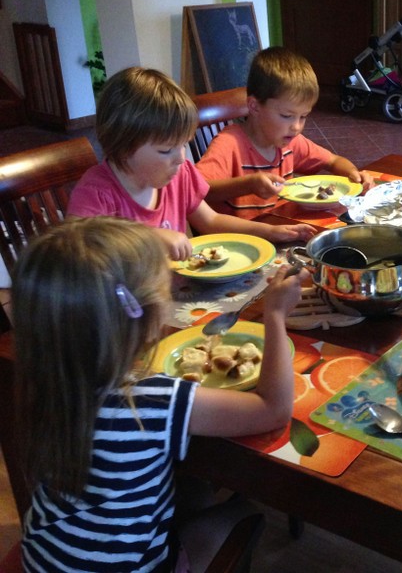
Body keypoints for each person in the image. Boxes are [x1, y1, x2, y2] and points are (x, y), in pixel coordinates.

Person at [13, 216, 309, 571]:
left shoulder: (45, 382)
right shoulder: (149, 400)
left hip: (45, 558)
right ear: (143, 313)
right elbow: (273, 410)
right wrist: (275, 315)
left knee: (196, 489)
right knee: (242, 510)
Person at [67, 67, 316, 262]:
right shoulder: (96, 192)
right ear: (122, 146)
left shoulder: (179, 174)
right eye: (166, 150)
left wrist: (270, 232)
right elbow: (76, 250)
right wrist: (148, 238)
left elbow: (211, 221)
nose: (180, 158)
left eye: (184, 145)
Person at [196, 47, 374, 215]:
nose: (296, 127)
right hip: (243, 235)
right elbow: (195, 189)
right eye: (286, 116)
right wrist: (247, 185)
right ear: (254, 107)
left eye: (303, 116)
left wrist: (353, 174)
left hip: (281, 226)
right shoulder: (229, 143)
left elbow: (334, 161)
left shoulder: (291, 141)